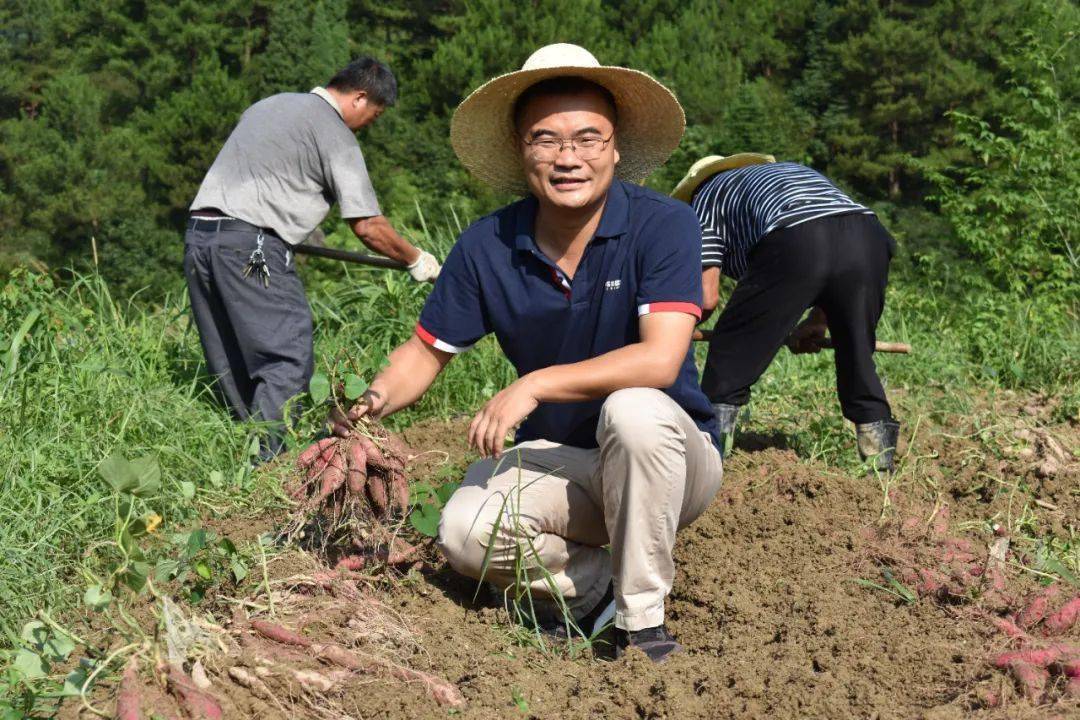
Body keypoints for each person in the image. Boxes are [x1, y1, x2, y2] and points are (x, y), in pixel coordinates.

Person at [328, 44, 721, 662]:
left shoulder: (663, 224)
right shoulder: (489, 244)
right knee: (463, 533)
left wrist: (534, 384)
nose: (568, 158)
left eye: (589, 138)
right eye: (546, 139)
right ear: (521, 150)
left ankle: (642, 624)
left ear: (616, 148)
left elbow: (659, 361)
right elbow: (424, 354)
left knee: (634, 411)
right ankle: (594, 591)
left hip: (669, 459)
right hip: (566, 463)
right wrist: (367, 405)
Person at [184, 57, 441, 461]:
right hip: (252, 247)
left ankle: (246, 459)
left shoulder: (268, 106)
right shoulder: (334, 133)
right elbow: (368, 225)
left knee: (232, 357)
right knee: (286, 351)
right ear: (359, 98)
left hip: (201, 239)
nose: (366, 126)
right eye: (371, 117)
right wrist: (416, 260)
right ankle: (273, 467)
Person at [671, 154, 900, 471]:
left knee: (730, 357)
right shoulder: (790, 174)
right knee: (857, 355)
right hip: (869, 236)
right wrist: (819, 322)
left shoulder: (706, 198)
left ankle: (709, 464)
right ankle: (881, 468)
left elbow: (707, 297)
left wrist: (672, 332)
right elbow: (832, 236)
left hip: (795, 238)